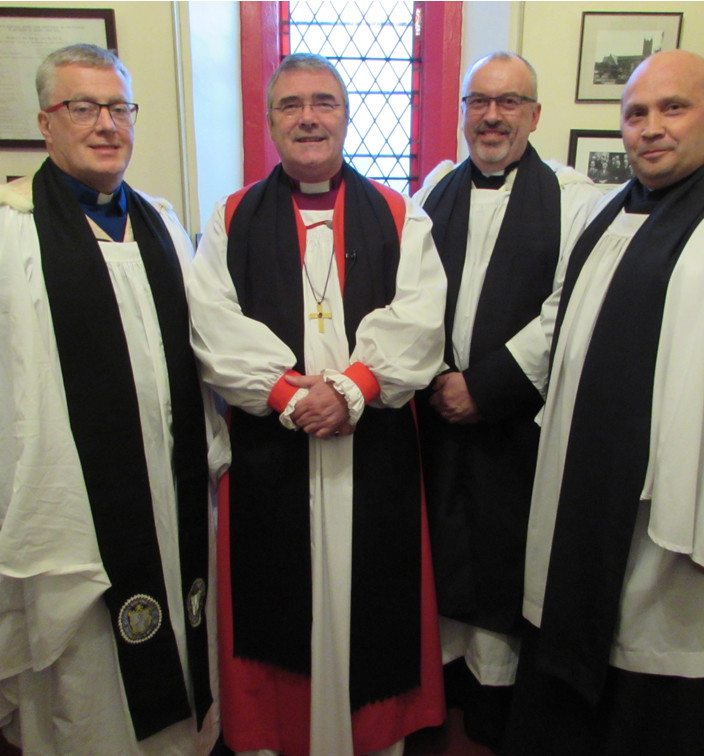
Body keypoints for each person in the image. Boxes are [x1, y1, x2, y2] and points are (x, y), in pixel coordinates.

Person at [185, 53, 446, 756]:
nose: (308, 117)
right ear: (270, 120)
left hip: (373, 454)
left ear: (346, 114)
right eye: (291, 104)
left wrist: (354, 388)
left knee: (370, 601)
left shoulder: (396, 213)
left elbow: (421, 318)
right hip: (276, 449)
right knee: (279, 601)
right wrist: (284, 396)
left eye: (324, 102)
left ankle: (373, 738)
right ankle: (279, 737)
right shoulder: (234, 215)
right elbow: (211, 322)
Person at [507, 49, 704, 755]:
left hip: (671, 514)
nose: (649, 129)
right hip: (586, 491)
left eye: (671, 109)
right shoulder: (617, 212)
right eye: (636, 114)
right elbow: (564, 327)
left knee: (661, 673)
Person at [0, 44, 222, 755]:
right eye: (83, 107)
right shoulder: (13, 234)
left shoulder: (160, 224)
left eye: (119, 108)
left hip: (172, 485)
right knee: (89, 680)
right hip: (75, 506)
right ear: (46, 121)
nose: (106, 125)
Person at [410, 51, 604, 748]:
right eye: (479, 102)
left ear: (535, 114)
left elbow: (568, 308)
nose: (492, 116)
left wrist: (485, 386)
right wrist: (429, 374)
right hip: (431, 417)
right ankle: (435, 707)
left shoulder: (574, 198)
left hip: (512, 427)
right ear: (463, 111)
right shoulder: (434, 189)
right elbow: (412, 290)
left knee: (498, 566)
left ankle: (491, 718)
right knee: (435, 558)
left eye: (510, 102)